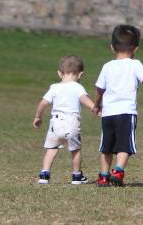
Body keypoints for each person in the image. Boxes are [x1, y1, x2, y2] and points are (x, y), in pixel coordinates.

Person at [94, 25, 143, 187]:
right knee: (124, 145)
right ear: (136, 48)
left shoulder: (107, 66)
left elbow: (100, 89)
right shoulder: (135, 64)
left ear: (112, 47)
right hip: (126, 113)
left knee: (106, 147)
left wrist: (97, 104)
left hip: (108, 114)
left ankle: (103, 176)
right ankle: (118, 171)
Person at [33, 55, 96, 185]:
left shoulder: (54, 87)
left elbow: (43, 103)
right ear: (81, 74)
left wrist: (38, 117)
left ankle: (44, 175)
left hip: (56, 124)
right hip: (72, 122)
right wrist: (95, 108)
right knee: (75, 150)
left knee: (51, 149)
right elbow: (84, 99)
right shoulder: (78, 87)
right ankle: (76, 176)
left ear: (59, 73)